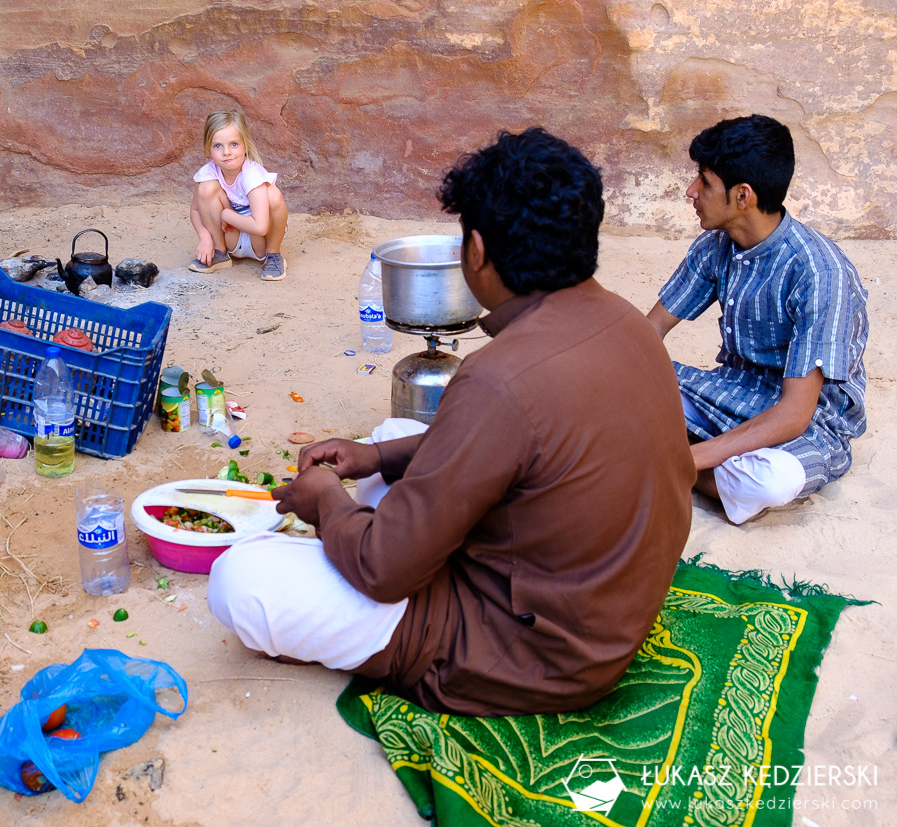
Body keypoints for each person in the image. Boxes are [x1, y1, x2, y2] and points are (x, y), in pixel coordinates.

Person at [207, 128, 696, 718]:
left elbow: (384, 571)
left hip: (525, 655)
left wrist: (328, 502)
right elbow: (518, 446)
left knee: (240, 579)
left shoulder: (499, 378)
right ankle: (380, 476)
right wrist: (377, 459)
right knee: (390, 439)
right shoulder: (628, 323)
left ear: (478, 252)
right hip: (601, 618)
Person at [647, 115, 868, 525]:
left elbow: (794, 413)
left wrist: (684, 458)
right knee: (623, 386)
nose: (690, 192)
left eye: (705, 182)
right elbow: (649, 334)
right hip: (729, 392)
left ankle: (671, 461)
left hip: (806, 422)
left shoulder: (819, 273)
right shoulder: (715, 246)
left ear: (743, 195)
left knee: (770, 481)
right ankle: (696, 469)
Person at [188, 110, 289, 281]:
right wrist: (205, 237)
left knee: (273, 195)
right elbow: (196, 210)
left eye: (234, 144)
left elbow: (260, 227)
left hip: (260, 242)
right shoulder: (208, 173)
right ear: (208, 148)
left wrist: (226, 214)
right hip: (231, 237)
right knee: (206, 189)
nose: (226, 152)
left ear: (245, 145)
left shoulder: (251, 174)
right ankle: (219, 252)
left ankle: (273, 255)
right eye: (218, 146)